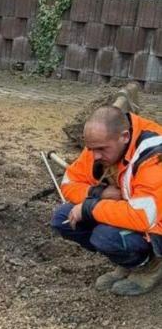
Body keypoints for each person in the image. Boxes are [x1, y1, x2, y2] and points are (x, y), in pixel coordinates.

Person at [51, 106, 162, 296]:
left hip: (153, 225)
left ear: (125, 137)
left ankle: (150, 265)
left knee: (105, 236)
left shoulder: (153, 156)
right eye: (91, 149)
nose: (95, 156)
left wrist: (89, 207)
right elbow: (69, 182)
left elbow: (144, 216)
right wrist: (98, 193)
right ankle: (129, 261)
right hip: (133, 212)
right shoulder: (103, 143)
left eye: (101, 149)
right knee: (63, 218)